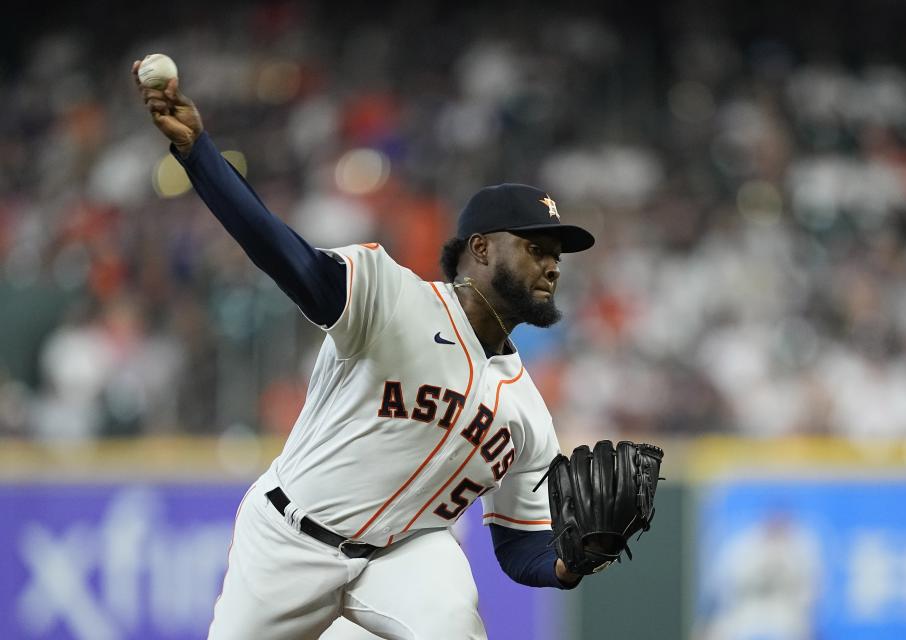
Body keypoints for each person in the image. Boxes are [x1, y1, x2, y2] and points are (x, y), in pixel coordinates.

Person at [133, 58, 596, 640]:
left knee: (455, 625)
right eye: (535, 247)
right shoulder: (389, 297)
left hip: (403, 555)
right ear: (480, 248)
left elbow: (519, 545)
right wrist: (201, 156)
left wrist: (567, 562)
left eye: (557, 253)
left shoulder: (529, 413)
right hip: (289, 539)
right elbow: (284, 254)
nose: (552, 263)